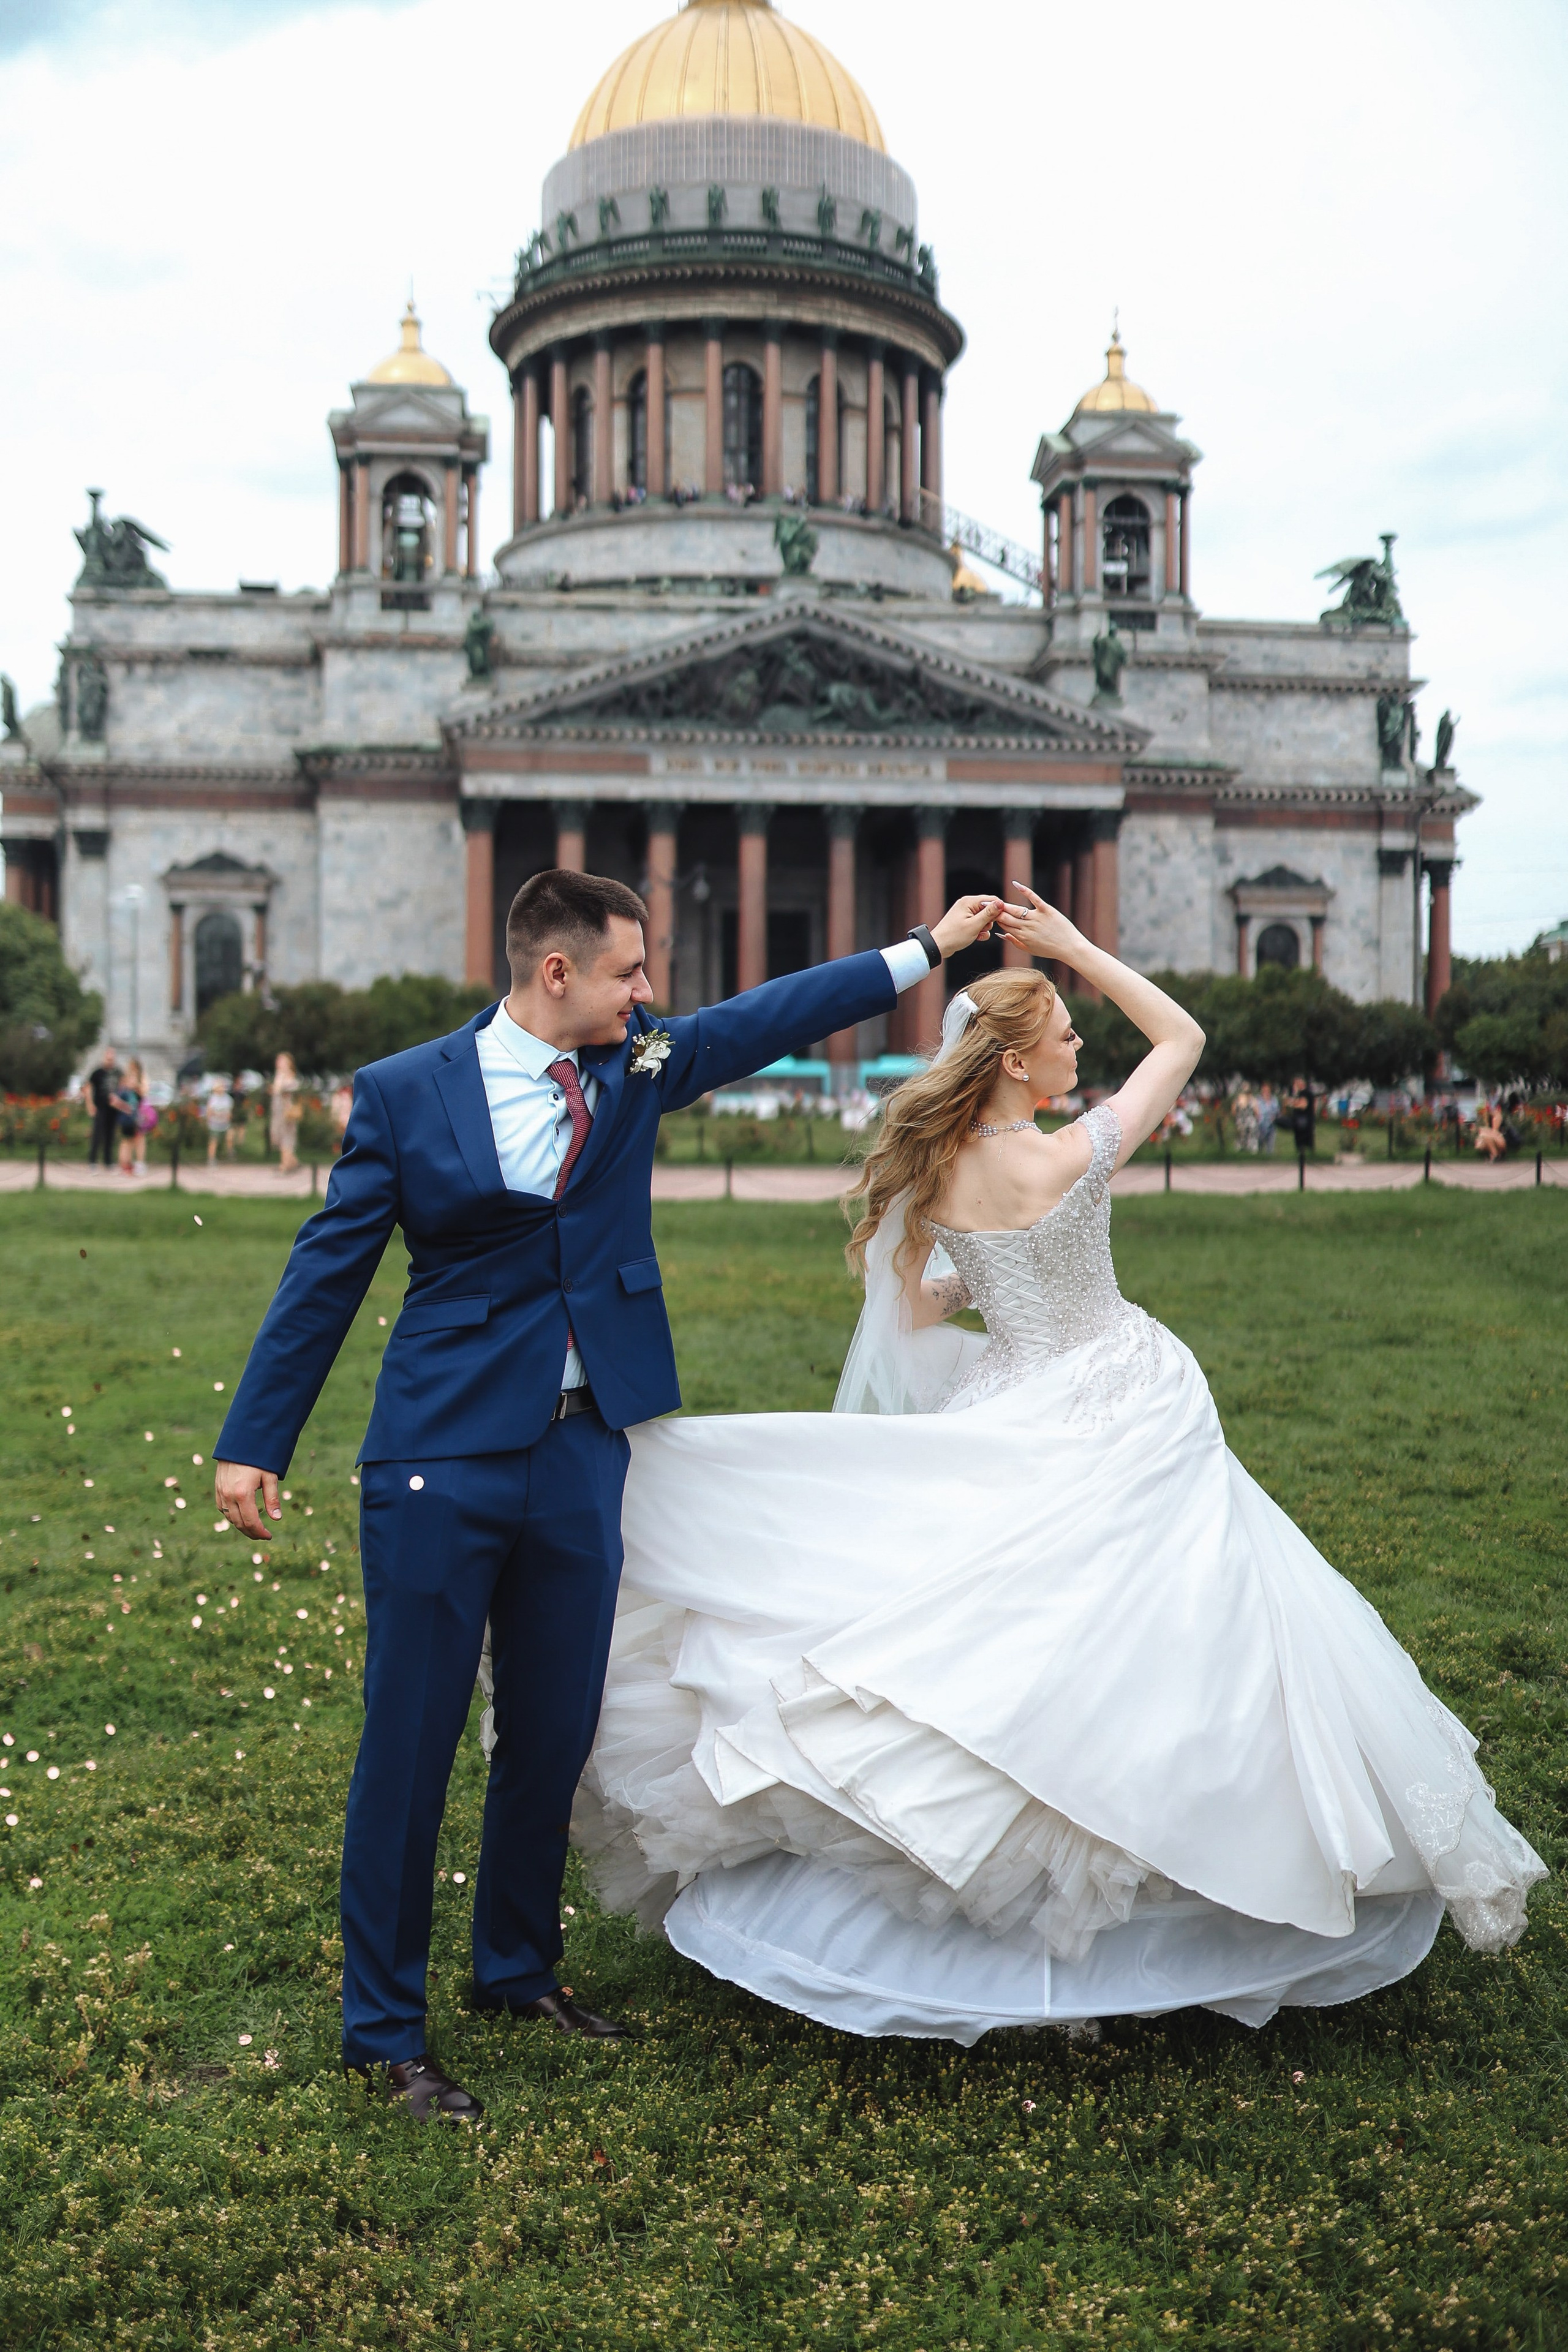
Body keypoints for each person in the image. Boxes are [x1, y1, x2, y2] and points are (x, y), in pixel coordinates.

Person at [570, 891, 1544, 2046]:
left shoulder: (943, 1178)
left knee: (1001, 1639)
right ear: (1024, 1061)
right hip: (1120, 1396)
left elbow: (924, 1301)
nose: (1083, 1050)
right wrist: (1080, 950)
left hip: (1014, 1398)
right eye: (1068, 1038)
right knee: (1169, 1635)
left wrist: (966, 1287)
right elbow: (1181, 1038)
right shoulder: (1074, 1155)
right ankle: (1190, 1865)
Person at [211, 867, 1002, 2121]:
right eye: (630, 972)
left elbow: (766, 1017)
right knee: (408, 1747)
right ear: (557, 972)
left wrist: (921, 951)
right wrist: (255, 1438)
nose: (651, 993)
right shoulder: (408, 1093)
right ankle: (384, 2033)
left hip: (586, 1452)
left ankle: (516, 1972)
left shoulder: (635, 1065)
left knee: (554, 1728)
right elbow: (329, 1270)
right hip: (440, 1455)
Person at [270, 1051, 301, 1174]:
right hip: (278, 1112)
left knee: (286, 1138)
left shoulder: (289, 1076)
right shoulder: (279, 1075)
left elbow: (283, 1090)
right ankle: (292, 1163)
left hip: (287, 1113)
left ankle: (285, 1165)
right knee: (278, 1137)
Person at [111, 1058, 144, 1177]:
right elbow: (114, 1101)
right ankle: (124, 1165)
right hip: (126, 1121)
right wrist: (126, 1108)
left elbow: (140, 1101)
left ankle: (129, 1165)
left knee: (130, 1142)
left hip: (133, 1121)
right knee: (126, 1143)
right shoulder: (124, 1091)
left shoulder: (134, 1093)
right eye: (132, 1079)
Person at [86, 1047, 118, 1166]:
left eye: (112, 1058)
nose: (110, 1060)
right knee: (97, 1135)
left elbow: (123, 1086)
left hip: (113, 1109)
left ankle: (108, 1161)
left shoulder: (117, 1072)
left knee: (110, 1136)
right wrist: (90, 1105)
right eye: (108, 1058)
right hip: (100, 1107)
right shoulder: (97, 1073)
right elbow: (88, 1088)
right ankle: (93, 1161)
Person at [1285, 1074, 1317, 1157]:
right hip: (1301, 1119)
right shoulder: (1300, 1093)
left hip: (1304, 1120)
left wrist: (1292, 1104)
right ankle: (1302, 1152)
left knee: (1305, 1138)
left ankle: (1306, 1154)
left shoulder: (1305, 1093)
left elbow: (1303, 1105)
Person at [204, 1076, 235, 1165]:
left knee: (230, 1137)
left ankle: (230, 1152)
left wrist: (227, 1118)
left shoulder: (228, 1099)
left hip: (225, 1123)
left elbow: (230, 1112)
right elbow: (209, 1111)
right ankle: (211, 1159)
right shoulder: (213, 1098)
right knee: (214, 1141)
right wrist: (209, 1120)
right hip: (214, 1123)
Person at [1256, 1080, 1279, 1155]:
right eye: (1264, 1090)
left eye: (1267, 1090)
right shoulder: (1258, 1100)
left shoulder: (1274, 1100)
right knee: (1260, 1143)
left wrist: (1275, 1117)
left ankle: (1269, 1158)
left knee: (1270, 1145)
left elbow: (1277, 1111)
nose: (1266, 1092)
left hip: (1271, 1124)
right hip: (1261, 1124)